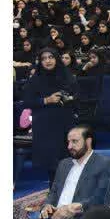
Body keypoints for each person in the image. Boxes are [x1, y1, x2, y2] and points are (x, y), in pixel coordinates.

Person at [13, 125, 110, 219]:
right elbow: (53, 192)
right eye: (68, 142)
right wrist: (47, 206)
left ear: (88, 141)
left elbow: (101, 197)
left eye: (75, 142)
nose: (69, 146)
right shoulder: (64, 164)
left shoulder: (104, 164)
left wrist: (74, 207)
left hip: (77, 217)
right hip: (54, 215)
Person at [21, 48, 78, 179]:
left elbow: (78, 96)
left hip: (65, 122)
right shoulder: (35, 80)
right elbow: (27, 102)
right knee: (52, 164)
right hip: (45, 125)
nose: (48, 61)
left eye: (51, 57)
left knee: (68, 160)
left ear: (56, 59)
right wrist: (47, 100)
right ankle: (54, 188)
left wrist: (69, 99)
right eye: (44, 58)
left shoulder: (67, 76)